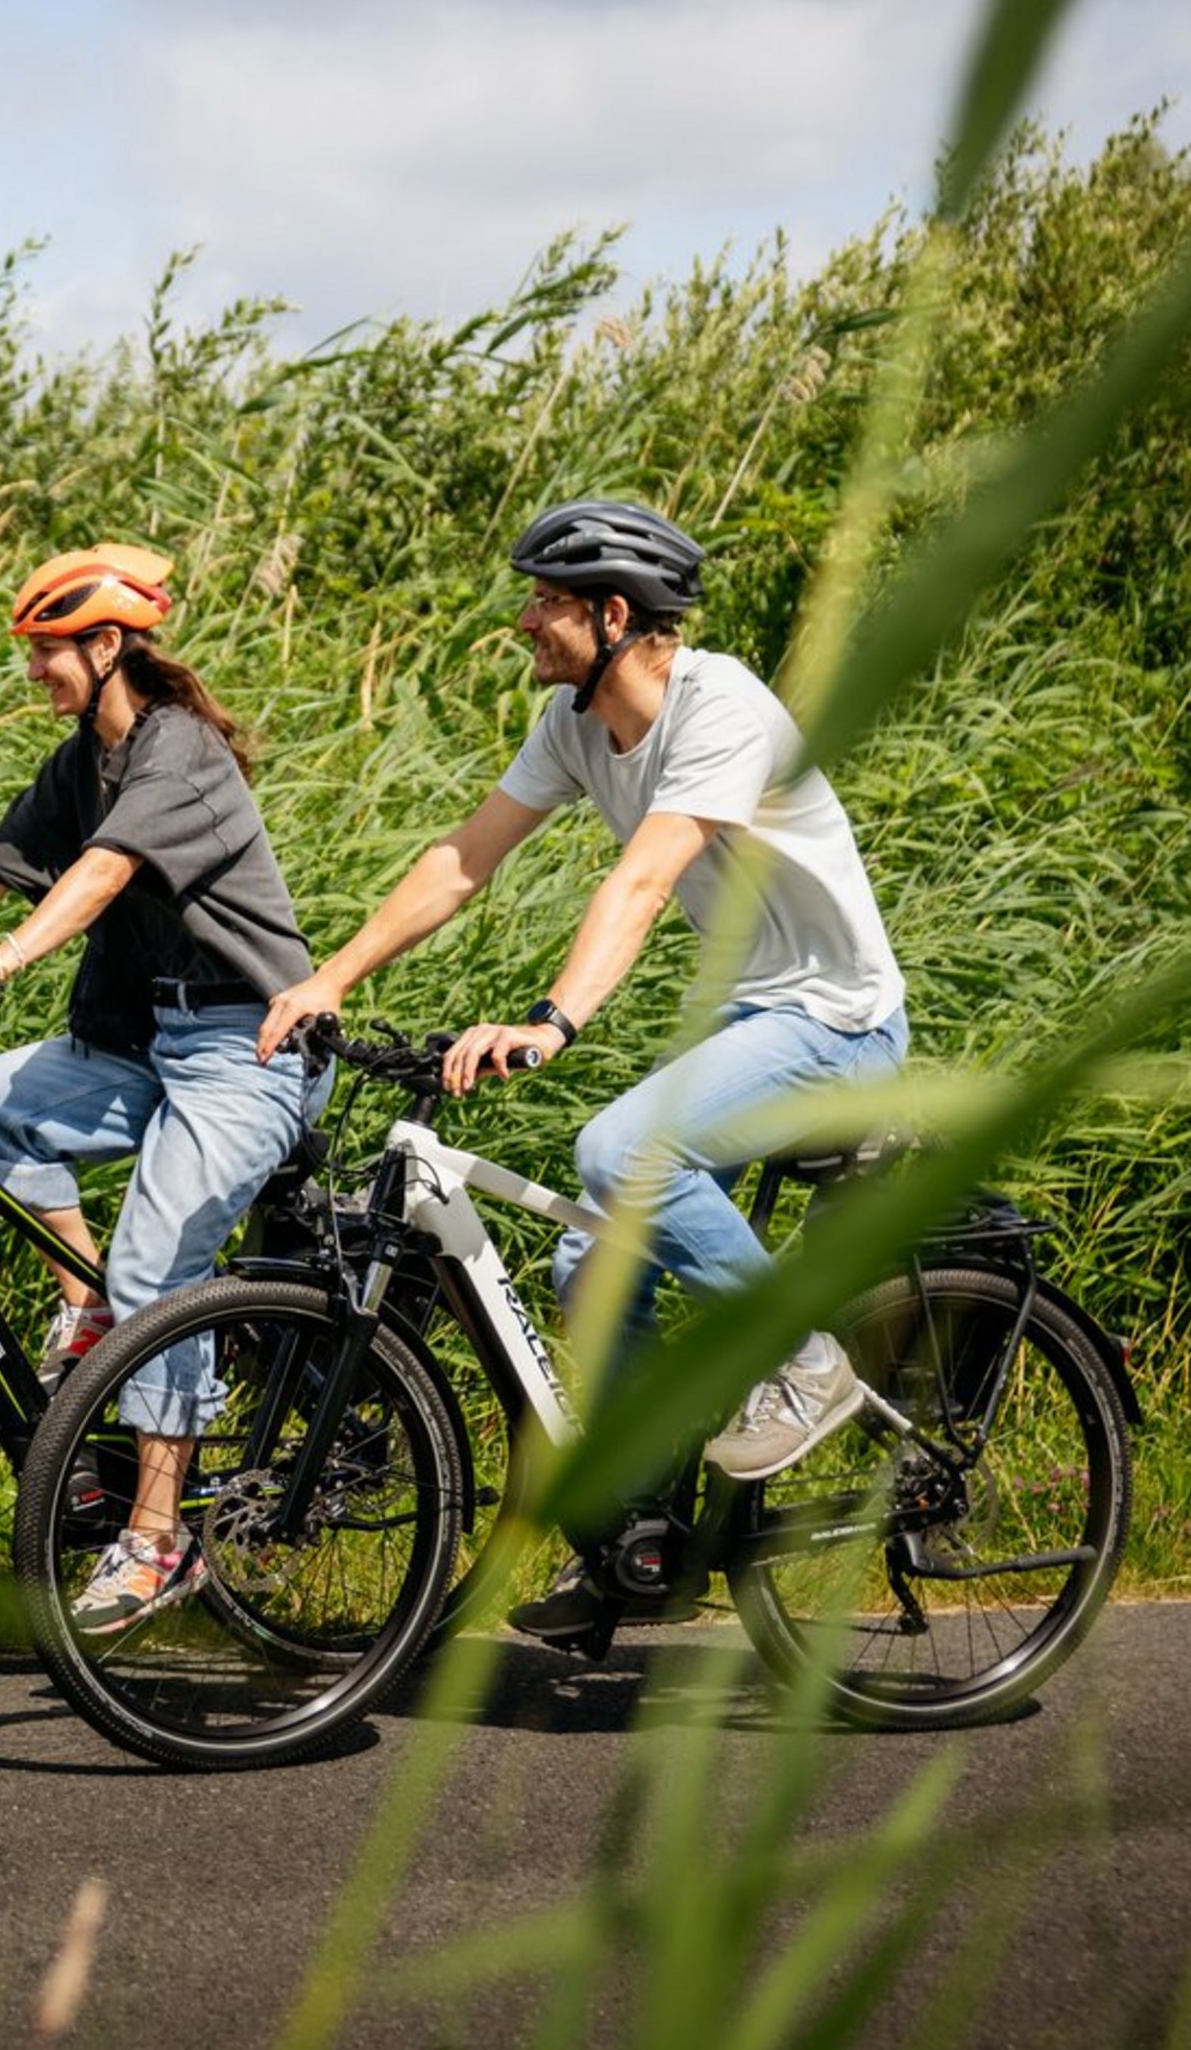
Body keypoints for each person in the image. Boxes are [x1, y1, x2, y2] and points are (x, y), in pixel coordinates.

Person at [254, 498, 911, 1644]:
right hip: (761, 1015)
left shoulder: (722, 709)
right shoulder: (571, 724)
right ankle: (637, 1541)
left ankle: (804, 1360)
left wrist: (552, 1018)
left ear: (613, 615)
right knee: (586, 1252)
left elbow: (644, 878)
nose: (525, 621)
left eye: (545, 603)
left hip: (840, 1022)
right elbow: (464, 856)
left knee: (621, 1150)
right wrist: (333, 978)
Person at [0, 543, 330, 1633]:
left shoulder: (177, 752)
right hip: (143, 1047)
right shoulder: (79, 760)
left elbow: (98, 877)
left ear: (107, 645)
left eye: (48, 650)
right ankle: (88, 1304)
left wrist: (5, 961)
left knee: (161, 1265)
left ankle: (156, 1540)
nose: (35, 670)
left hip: (249, 1049)